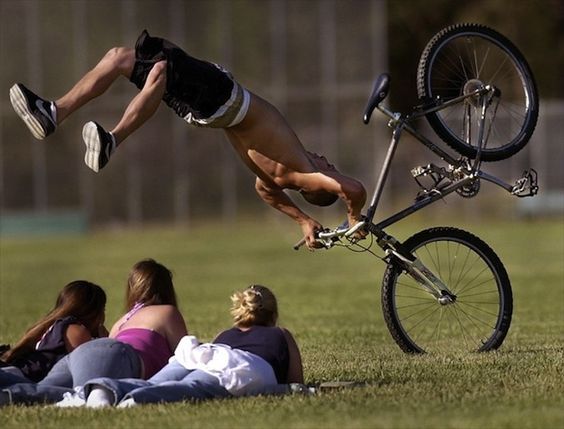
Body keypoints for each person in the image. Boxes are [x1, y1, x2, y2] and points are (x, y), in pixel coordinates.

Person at [9, 29, 367, 249]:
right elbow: (266, 194)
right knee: (119, 58)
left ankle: (112, 140)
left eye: (328, 167)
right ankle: (52, 112)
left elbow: (353, 189)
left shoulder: (303, 173)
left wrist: (354, 219)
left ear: (315, 187)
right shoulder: (272, 180)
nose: (326, 161)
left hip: (223, 98)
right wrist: (303, 221)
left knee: (160, 69)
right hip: (209, 110)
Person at [74, 284, 303, 407]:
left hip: (199, 353)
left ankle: (103, 390)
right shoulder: (280, 333)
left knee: (155, 381)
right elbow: (296, 383)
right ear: (273, 314)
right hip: (240, 367)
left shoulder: (224, 334)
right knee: (193, 387)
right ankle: (139, 399)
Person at [1, 258, 188, 405]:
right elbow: (187, 356)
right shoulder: (167, 312)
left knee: (38, 390)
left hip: (84, 354)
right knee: (81, 396)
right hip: (116, 354)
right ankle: (9, 393)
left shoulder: (121, 321)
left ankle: (6, 389)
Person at [0, 280, 107, 387]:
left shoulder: (54, 325)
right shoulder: (75, 330)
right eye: (103, 309)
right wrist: (104, 343)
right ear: (93, 313)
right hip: (20, 378)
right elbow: (91, 369)